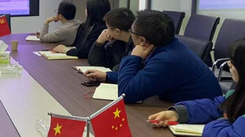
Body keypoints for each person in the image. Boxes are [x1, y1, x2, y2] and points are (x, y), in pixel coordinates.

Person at [86, 10, 221, 104]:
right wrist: (108, 76)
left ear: (142, 40)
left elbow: (126, 93)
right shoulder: (168, 46)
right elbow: (143, 77)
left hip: (202, 114)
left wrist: (133, 57)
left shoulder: (167, 59)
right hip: (181, 105)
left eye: (132, 31)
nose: (130, 34)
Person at [86, 8, 135, 74]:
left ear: (117, 31)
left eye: (108, 28)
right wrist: (100, 42)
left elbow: (120, 69)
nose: (106, 31)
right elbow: (95, 62)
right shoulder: (116, 43)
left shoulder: (136, 47)